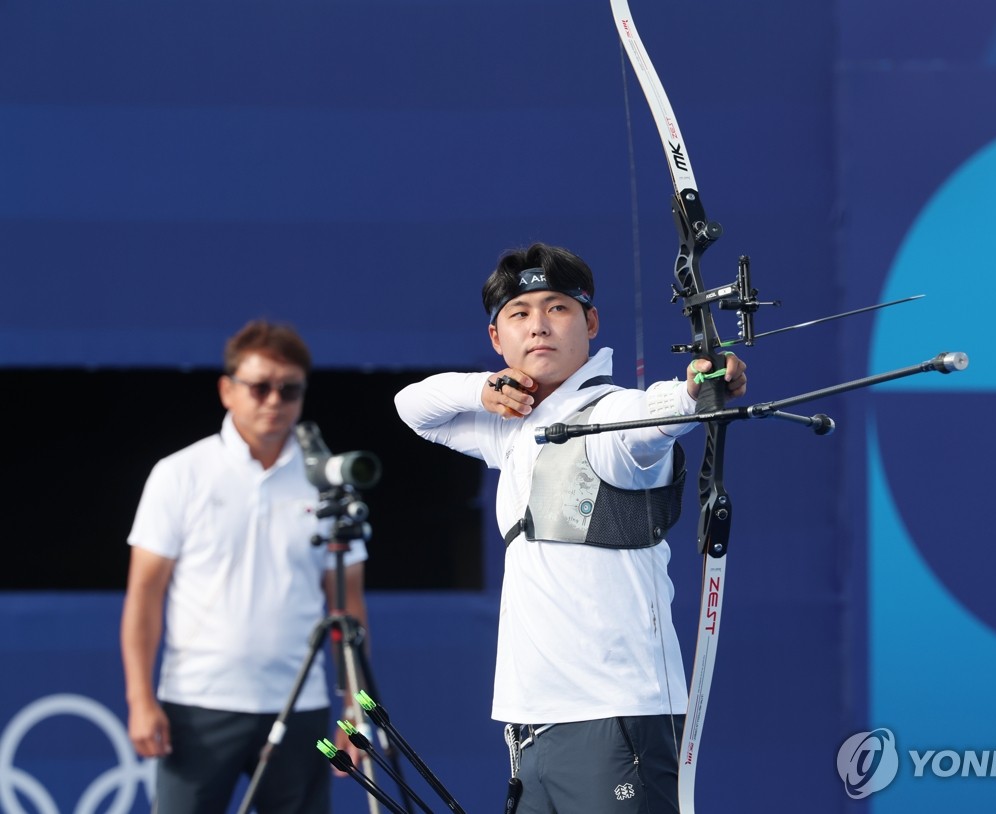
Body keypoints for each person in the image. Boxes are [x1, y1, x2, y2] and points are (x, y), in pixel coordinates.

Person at [394, 243, 747, 813]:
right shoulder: (507, 431)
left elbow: (653, 416)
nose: (538, 326)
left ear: (590, 322)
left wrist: (695, 389)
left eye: (557, 308)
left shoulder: (611, 415)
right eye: (519, 313)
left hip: (615, 719)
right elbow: (412, 406)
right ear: (496, 339)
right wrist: (482, 390)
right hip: (531, 726)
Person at [120, 319, 369, 813]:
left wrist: (353, 714)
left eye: (289, 389)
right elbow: (144, 594)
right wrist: (139, 698)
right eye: (259, 387)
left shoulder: (331, 482)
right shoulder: (179, 474)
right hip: (196, 707)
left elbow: (348, 605)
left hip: (302, 710)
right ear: (227, 391)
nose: (274, 400)